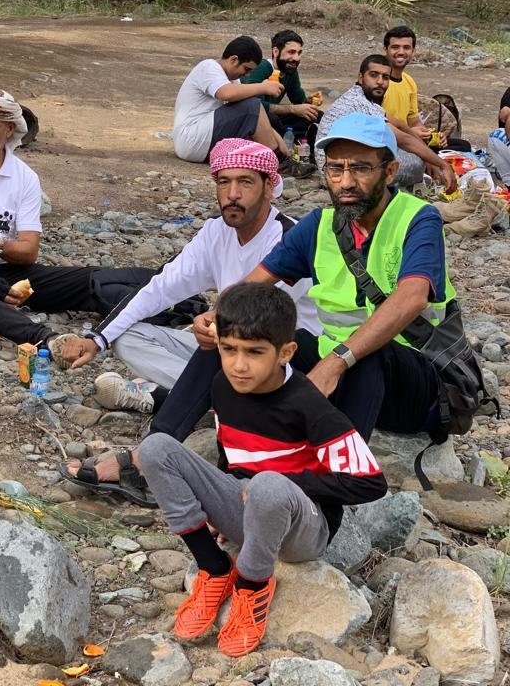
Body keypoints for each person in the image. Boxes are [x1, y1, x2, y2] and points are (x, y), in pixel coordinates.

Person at [54, 139, 320, 505]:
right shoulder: (216, 232)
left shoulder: (290, 239)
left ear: (269, 187)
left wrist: (214, 323)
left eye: (245, 182)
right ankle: (204, 401)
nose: (232, 194)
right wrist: (96, 339)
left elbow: (259, 322)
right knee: (128, 337)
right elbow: (160, 288)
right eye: (224, 182)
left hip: (283, 361)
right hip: (229, 351)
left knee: (225, 341)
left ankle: (146, 458)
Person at [138, 282, 386, 657]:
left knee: (267, 485)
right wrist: (218, 503)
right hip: (248, 509)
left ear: (285, 352)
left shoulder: (308, 405)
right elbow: (230, 457)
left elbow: (371, 483)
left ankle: (252, 587)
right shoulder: (223, 386)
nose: (239, 365)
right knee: (156, 448)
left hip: (302, 531)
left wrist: (288, 483)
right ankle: (214, 567)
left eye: (254, 352)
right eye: (229, 349)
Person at [207, 112, 454, 443]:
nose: (346, 182)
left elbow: (413, 297)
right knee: (241, 336)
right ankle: (163, 445)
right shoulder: (318, 225)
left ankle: (338, 470)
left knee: (370, 353)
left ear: (390, 171)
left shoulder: (418, 218)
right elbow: (251, 285)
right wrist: (216, 316)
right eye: (336, 169)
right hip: (343, 370)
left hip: (416, 386)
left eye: (361, 168)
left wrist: (337, 361)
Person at [0, 88, 143, 351]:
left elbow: (29, 252)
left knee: (90, 279)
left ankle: (161, 299)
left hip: (6, 271)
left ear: (9, 129)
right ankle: (44, 338)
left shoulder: (25, 177)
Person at [316, 55, 454, 191]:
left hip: (348, 160)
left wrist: (429, 156)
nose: (380, 81)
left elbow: (400, 124)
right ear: (361, 78)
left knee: (416, 153)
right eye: (374, 75)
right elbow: (404, 139)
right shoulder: (358, 102)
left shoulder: (363, 97)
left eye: (385, 77)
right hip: (336, 174)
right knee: (415, 162)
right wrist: (443, 165)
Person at [171, 36, 290, 168]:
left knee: (254, 109)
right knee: (252, 105)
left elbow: (256, 117)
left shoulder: (231, 79)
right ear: (234, 59)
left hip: (200, 140)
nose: (246, 75)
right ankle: (277, 162)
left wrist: (282, 146)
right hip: (191, 140)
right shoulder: (208, 67)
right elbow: (226, 93)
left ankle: (281, 158)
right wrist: (263, 87)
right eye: (246, 69)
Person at [240, 29, 323, 144]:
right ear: (275, 52)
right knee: (273, 119)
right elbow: (254, 106)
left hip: (276, 117)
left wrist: (308, 102)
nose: (296, 58)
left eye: (299, 53)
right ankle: (289, 141)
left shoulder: (290, 70)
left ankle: (300, 139)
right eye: (291, 52)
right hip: (253, 118)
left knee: (315, 115)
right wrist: (293, 109)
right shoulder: (261, 68)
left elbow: (298, 101)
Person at [380, 26, 439, 147]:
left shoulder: (409, 81)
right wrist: (411, 133)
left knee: (460, 146)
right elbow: (375, 124)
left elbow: (414, 122)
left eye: (406, 47)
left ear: (413, 51)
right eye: (395, 47)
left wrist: (430, 134)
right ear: (385, 49)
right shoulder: (378, 81)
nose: (401, 52)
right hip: (384, 142)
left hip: (407, 139)